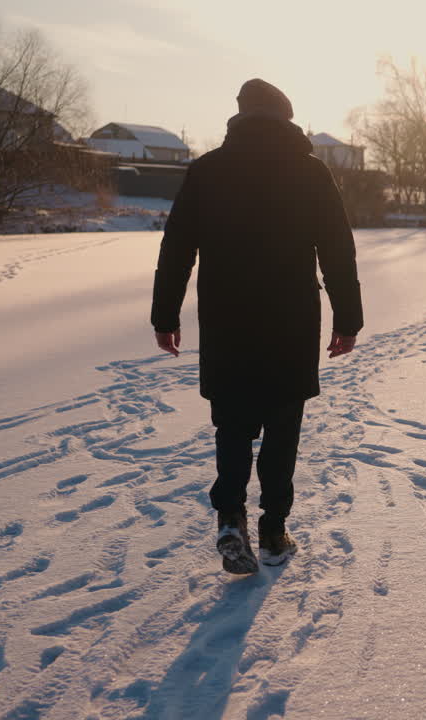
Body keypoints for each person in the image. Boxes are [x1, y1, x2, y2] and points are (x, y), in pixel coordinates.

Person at [151, 78, 363, 574]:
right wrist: (348, 319)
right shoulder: (310, 173)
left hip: (228, 320)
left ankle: (230, 518)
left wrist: (165, 316)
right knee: (282, 425)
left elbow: (176, 248)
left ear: (240, 116)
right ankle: (272, 528)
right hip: (290, 319)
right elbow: (337, 249)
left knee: (233, 424)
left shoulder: (207, 171)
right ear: (287, 119)